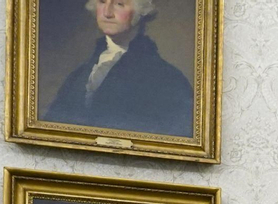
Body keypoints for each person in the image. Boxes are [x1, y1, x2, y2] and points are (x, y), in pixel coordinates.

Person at [43, 0, 194, 138]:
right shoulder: (81, 74)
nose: (107, 13)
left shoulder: (167, 80)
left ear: (140, 12)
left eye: (119, 4)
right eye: (102, 2)